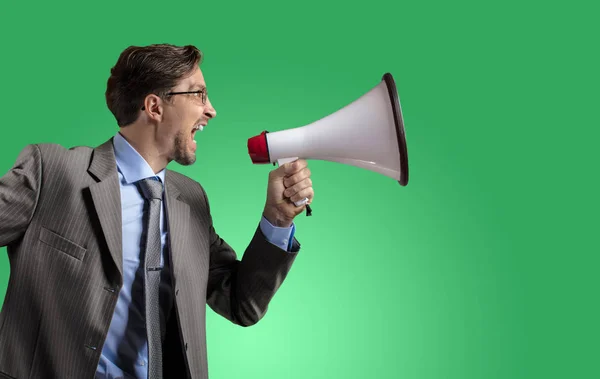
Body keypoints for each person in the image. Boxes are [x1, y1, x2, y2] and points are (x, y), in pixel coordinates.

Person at [0, 43, 314, 379]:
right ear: (154, 106)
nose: (211, 111)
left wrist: (277, 220)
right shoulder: (53, 171)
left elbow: (240, 302)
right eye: (199, 95)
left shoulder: (191, 199)